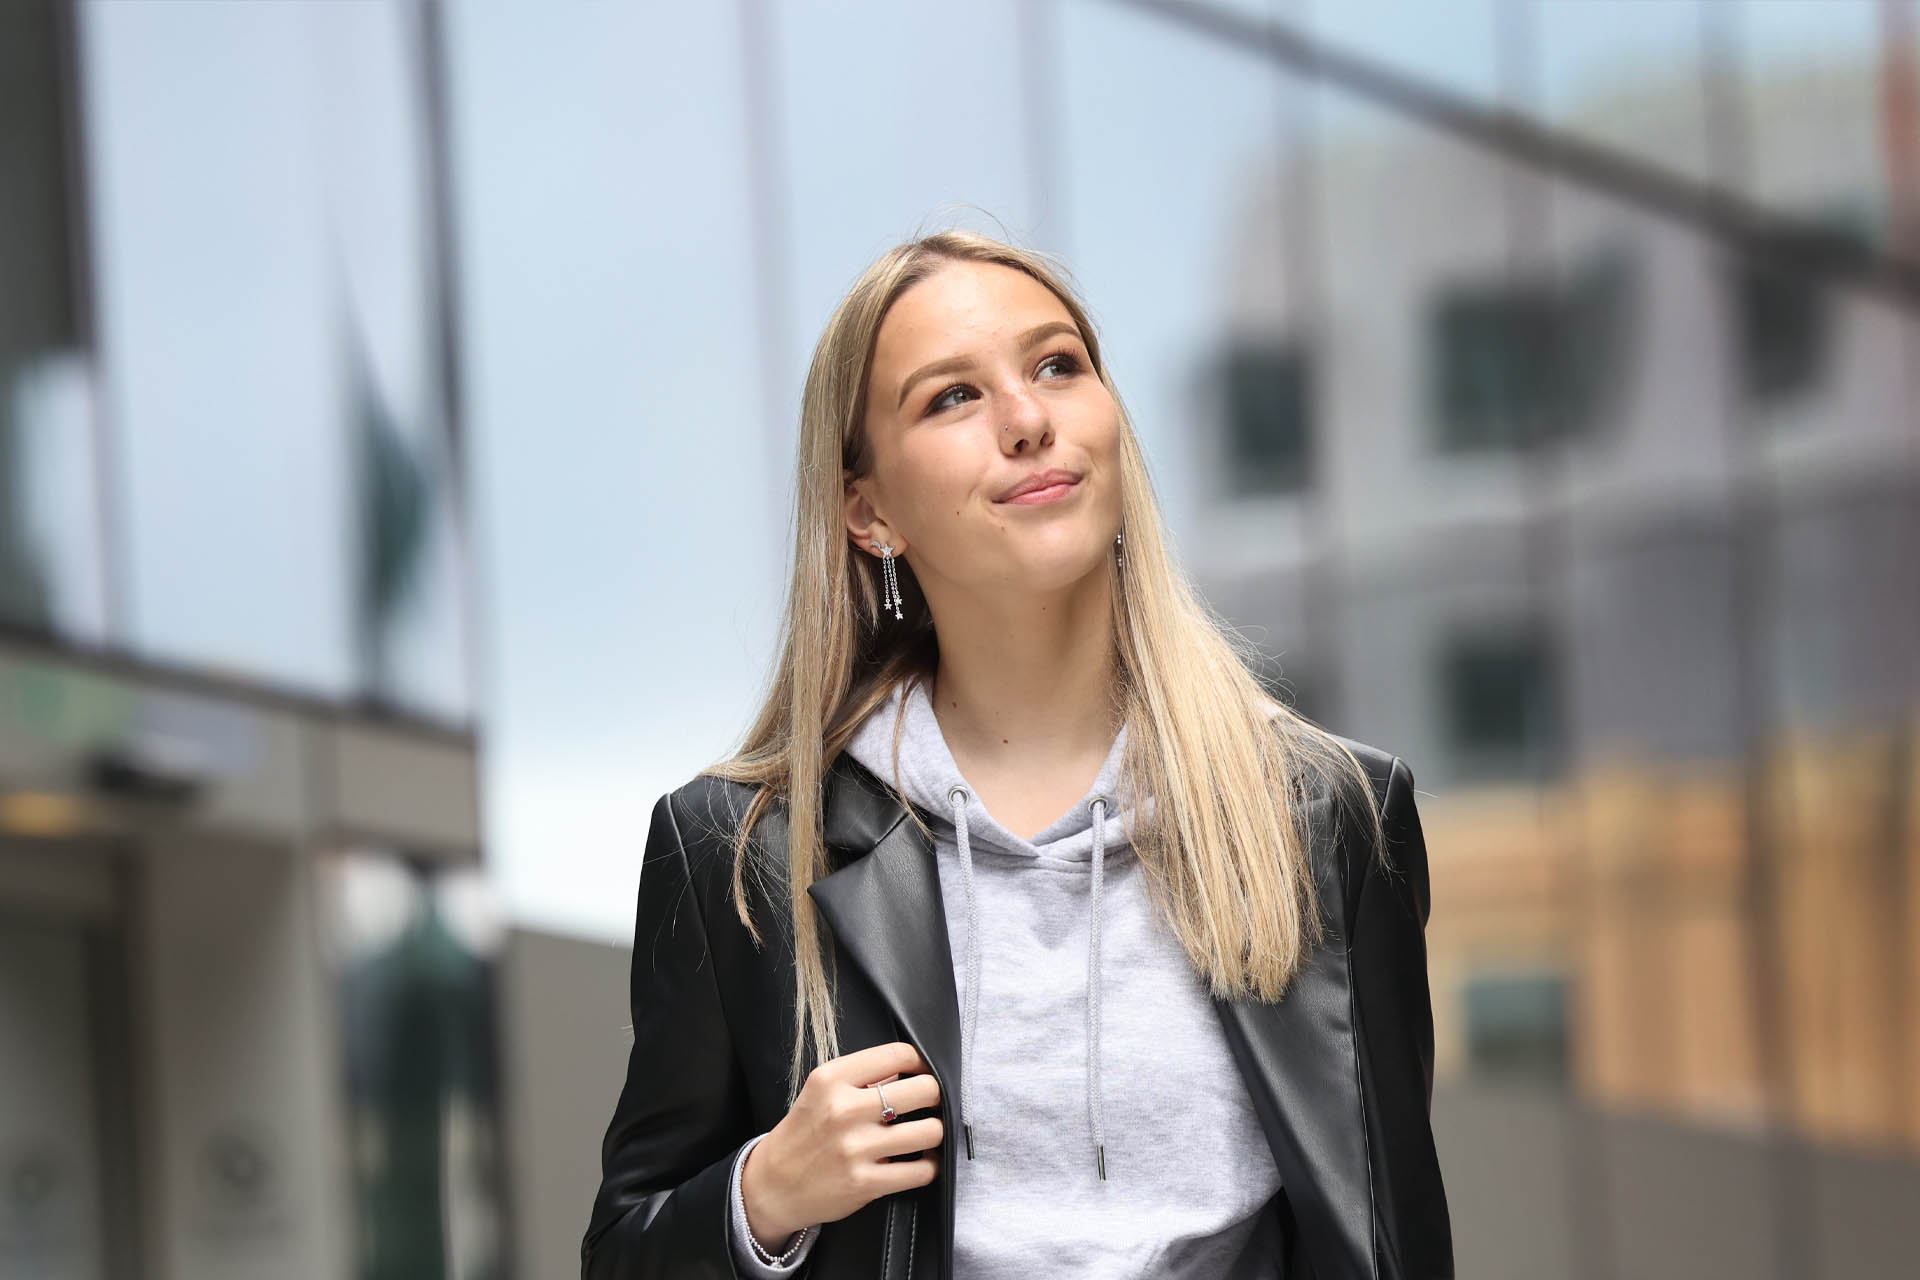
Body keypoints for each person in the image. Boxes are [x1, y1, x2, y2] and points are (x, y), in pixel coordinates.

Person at [580, 228, 1453, 1279]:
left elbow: (1392, 1240)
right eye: (952, 396)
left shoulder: (1327, 816)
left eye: (1058, 365)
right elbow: (622, 1253)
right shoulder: (741, 849)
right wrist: (763, 1194)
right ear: (869, 510)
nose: (1030, 420)